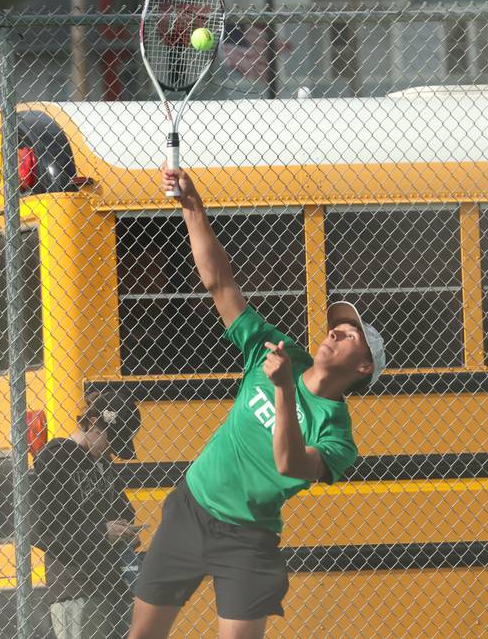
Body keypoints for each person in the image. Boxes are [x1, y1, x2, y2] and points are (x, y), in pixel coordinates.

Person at [128, 166, 386, 639]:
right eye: (336, 324)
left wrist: (286, 388)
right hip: (191, 506)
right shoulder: (275, 346)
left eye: (350, 334)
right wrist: (193, 208)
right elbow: (220, 284)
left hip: (247, 540)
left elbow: (288, 463)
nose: (335, 331)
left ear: (364, 368)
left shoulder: (337, 436)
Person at [32, 393, 143, 639]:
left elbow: (123, 508)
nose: (111, 449)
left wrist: (124, 529)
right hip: (77, 587)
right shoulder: (57, 457)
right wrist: (102, 531)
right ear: (93, 422)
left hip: (113, 584)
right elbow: (42, 530)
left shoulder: (102, 462)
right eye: (110, 440)